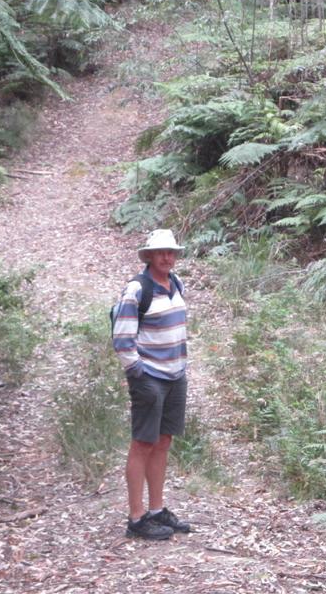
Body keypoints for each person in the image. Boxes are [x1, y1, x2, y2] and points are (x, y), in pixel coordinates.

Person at [112, 228, 192, 540]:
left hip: (175, 376)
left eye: (171, 252)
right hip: (150, 378)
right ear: (149, 256)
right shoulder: (137, 289)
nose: (166, 257)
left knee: (163, 441)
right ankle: (136, 518)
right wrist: (138, 373)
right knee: (143, 443)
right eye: (161, 252)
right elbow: (122, 338)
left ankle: (157, 510)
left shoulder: (176, 283)